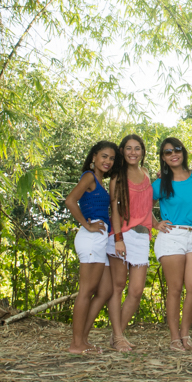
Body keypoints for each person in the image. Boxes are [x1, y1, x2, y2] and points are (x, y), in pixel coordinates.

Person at [64, 141, 120, 354]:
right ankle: (76, 344)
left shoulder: (102, 181)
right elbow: (70, 200)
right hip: (91, 237)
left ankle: (83, 339)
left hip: (100, 238)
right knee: (86, 291)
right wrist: (87, 225)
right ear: (94, 157)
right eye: (104, 156)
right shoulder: (89, 176)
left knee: (105, 290)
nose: (108, 161)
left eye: (112, 158)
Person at [152, 137, 192, 352]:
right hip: (171, 236)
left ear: (183, 152)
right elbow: (142, 205)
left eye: (177, 149)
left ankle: (185, 334)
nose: (173, 154)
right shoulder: (160, 183)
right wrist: (155, 223)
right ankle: (175, 338)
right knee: (174, 289)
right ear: (163, 158)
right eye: (168, 152)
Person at [106, 134, 153, 352]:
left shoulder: (146, 173)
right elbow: (114, 210)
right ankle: (118, 337)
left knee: (136, 290)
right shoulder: (117, 176)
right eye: (128, 148)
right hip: (121, 235)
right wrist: (118, 239)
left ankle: (118, 334)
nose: (133, 152)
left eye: (137, 148)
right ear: (122, 151)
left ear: (142, 152)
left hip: (142, 236)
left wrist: (156, 223)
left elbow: (146, 206)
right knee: (118, 287)